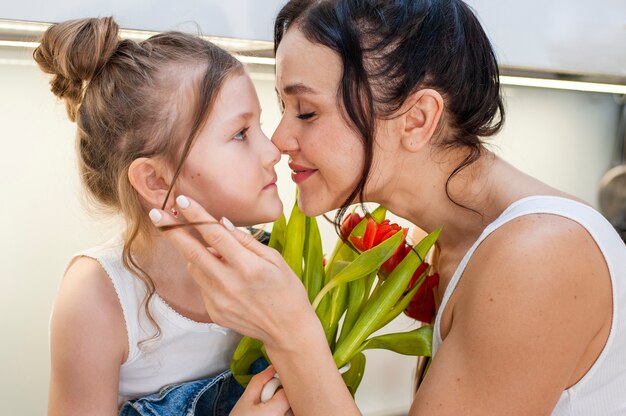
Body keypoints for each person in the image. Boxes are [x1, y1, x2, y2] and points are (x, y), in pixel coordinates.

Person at [151, 0, 626, 415]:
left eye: (307, 112)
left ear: (417, 119)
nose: (278, 141)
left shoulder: (538, 256)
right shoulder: (440, 243)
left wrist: (289, 329)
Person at [36, 17, 290, 416]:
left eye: (258, 125)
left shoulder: (273, 261)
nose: (272, 150)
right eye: (241, 133)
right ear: (154, 180)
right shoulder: (97, 297)